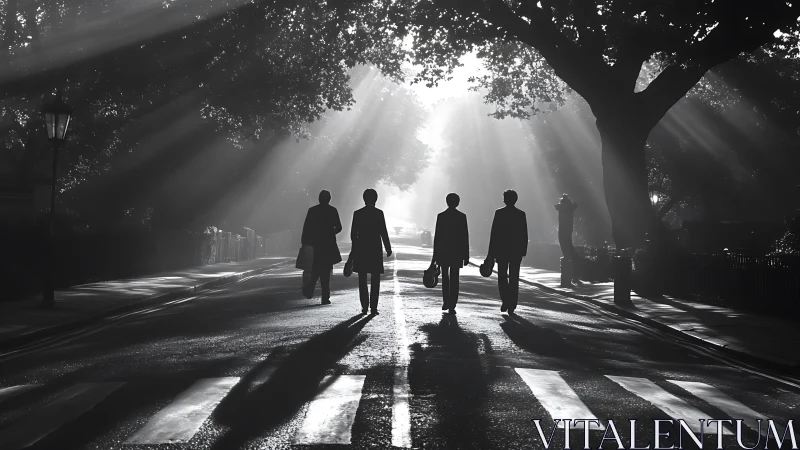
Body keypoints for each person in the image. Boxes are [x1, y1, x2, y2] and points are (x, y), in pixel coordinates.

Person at [351, 189, 392, 315]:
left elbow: (353, 234)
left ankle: (364, 306)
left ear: (364, 199)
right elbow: (383, 231)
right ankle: (373, 307)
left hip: (361, 249)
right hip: (375, 249)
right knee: (375, 279)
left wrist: (354, 249)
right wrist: (388, 247)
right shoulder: (379, 213)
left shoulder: (358, 213)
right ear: (375, 199)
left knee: (362, 278)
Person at [487, 189, 528, 314]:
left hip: (502, 250)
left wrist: (491, 253)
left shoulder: (499, 213)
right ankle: (512, 303)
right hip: (516, 251)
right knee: (514, 278)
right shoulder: (521, 214)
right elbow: (524, 235)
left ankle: (505, 300)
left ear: (505, 199)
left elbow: (494, 234)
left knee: (502, 277)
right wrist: (523, 251)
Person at [301, 190, 343, 304]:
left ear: (319, 199)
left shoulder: (312, 211)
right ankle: (325, 296)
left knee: (316, 268)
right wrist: (331, 233)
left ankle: (310, 290)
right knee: (326, 271)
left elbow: (306, 228)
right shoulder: (332, 210)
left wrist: (305, 242)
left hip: (316, 244)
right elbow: (339, 227)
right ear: (329, 199)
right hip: (328, 245)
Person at [432, 193, 469, 314]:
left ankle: (446, 301)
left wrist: (435, 256)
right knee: (455, 278)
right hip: (456, 253)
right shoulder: (461, 217)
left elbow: (437, 238)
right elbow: (464, 237)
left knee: (445, 278)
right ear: (457, 202)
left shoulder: (441, 216)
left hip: (443, 252)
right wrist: (466, 255)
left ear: (446, 202)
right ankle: (452, 304)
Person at [554, 194, 579, 282]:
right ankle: (574, 277)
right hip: (567, 232)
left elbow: (557, 206)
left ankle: (571, 277)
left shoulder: (561, 208)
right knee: (572, 255)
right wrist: (569, 201)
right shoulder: (569, 208)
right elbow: (575, 205)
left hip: (562, 233)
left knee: (567, 254)